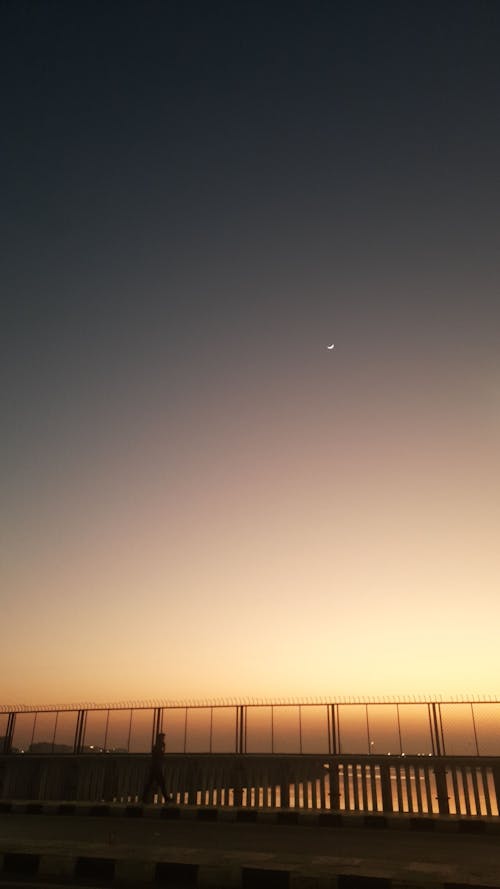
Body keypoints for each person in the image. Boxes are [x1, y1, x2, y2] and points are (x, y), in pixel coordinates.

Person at [142, 731, 170, 804]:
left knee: (150, 783)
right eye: (162, 738)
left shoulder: (157, 746)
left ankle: (144, 798)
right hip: (156, 768)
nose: (163, 739)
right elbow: (160, 756)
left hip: (155, 767)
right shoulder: (158, 747)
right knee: (160, 783)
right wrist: (163, 748)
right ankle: (166, 798)